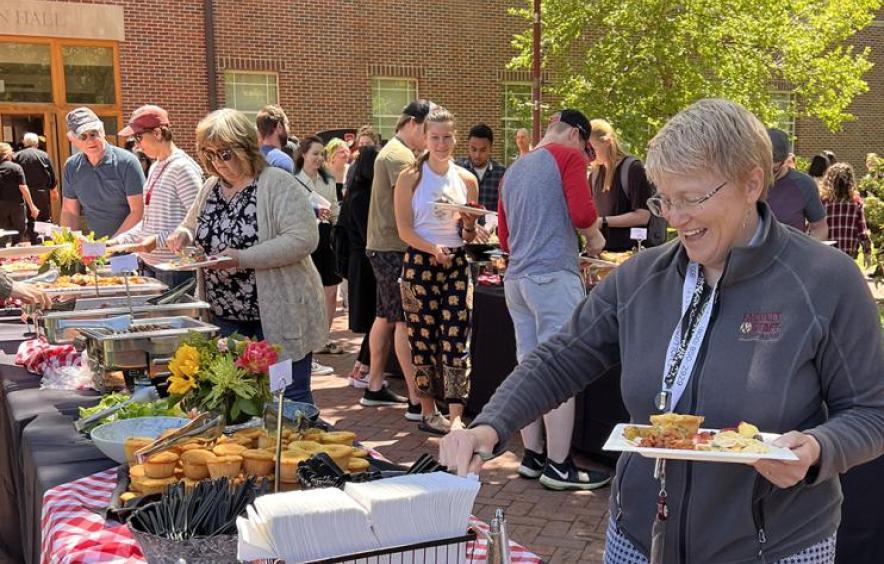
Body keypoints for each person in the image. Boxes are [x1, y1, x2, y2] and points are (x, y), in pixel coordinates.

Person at [440, 98, 884, 563]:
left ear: (752, 182)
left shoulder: (825, 280)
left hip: (774, 547)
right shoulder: (641, 278)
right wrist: (487, 428)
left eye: (691, 198)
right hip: (638, 538)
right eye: (664, 200)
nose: (674, 218)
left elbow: (870, 412)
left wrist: (817, 448)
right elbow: (560, 359)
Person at [167, 108, 327, 404]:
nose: (218, 163)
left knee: (288, 398)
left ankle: (303, 450)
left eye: (225, 154)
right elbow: (191, 224)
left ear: (245, 147)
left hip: (277, 314)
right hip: (226, 316)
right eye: (210, 155)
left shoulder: (277, 183)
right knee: (241, 402)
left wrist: (242, 257)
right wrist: (183, 235)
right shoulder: (211, 187)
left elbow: (303, 239)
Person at [495, 108, 609, 490]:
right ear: (577, 135)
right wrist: (595, 239)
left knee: (528, 367)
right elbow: (581, 213)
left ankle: (533, 455)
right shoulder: (568, 156)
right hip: (551, 277)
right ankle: (560, 466)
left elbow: (506, 239)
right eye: (588, 149)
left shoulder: (515, 169)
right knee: (559, 369)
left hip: (517, 279)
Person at [394, 107, 479, 434]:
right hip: (420, 263)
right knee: (423, 339)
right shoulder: (411, 177)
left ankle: (457, 416)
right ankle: (429, 410)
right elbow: (404, 230)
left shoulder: (466, 179)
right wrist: (432, 249)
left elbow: (468, 235)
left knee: (458, 339)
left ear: (454, 137)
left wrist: (470, 227)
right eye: (435, 137)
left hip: (456, 264)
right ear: (425, 138)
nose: (442, 143)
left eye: (447, 137)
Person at [364, 99, 435, 416]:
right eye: (429, 131)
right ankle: (417, 401)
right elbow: (415, 203)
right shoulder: (400, 156)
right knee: (406, 322)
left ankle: (374, 385)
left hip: (384, 246)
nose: (432, 138)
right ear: (413, 124)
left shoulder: (395, 152)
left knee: (386, 315)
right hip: (394, 248)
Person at [110, 105, 203, 287]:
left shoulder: (183, 168)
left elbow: (201, 221)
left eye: (138, 137)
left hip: (176, 271)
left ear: (158, 133)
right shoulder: (155, 166)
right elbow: (148, 223)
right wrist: (118, 241)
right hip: (150, 266)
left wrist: (157, 241)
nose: (136, 144)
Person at [293, 136, 341, 371]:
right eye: (315, 154)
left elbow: (334, 209)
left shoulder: (327, 179)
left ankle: (322, 338)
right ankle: (307, 343)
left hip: (324, 238)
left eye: (322, 154)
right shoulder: (293, 180)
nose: (319, 158)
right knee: (306, 292)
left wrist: (332, 216)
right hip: (303, 240)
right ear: (303, 154)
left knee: (330, 289)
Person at [61, 107, 145, 238]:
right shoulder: (72, 166)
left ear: (103, 131)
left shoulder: (127, 162)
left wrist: (112, 244)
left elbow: (138, 212)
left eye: (94, 133)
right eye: (83, 136)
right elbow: (69, 212)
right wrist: (68, 243)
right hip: (98, 246)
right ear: (73, 140)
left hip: (131, 245)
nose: (90, 140)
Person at [339, 146, 379, 388]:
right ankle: (363, 369)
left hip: (359, 261)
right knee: (377, 316)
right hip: (366, 262)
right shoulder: (363, 197)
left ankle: (361, 367)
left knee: (375, 317)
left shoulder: (354, 194)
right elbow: (368, 234)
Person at [589, 119, 655, 252]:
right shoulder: (594, 175)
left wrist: (603, 222)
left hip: (631, 254)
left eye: (593, 149)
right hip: (603, 255)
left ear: (607, 142)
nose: (590, 156)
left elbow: (643, 216)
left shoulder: (633, 169)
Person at [766, 128, 828, 240]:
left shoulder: (804, 184)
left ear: (786, 161)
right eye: (764, 166)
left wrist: (807, 253)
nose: (769, 173)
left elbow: (819, 228)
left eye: (775, 170)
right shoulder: (743, 182)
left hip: (790, 255)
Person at [820, 163, 872, 265]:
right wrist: (867, 251)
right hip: (848, 256)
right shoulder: (856, 204)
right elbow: (862, 232)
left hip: (826, 253)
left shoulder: (823, 203)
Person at [13, 132, 56, 241]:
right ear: (37, 143)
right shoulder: (43, 155)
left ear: (24, 143)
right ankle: (44, 242)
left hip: (23, 193)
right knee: (44, 218)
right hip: (41, 192)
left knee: (28, 218)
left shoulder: (16, 156)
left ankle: (32, 241)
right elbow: (51, 173)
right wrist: (53, 188)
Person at [456, 123, 505, 212]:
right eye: (473, 149)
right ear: (468, 146)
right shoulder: (458, 170)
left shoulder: (502, 173)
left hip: (492, 225)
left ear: (491, 148)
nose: (477, 155)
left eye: (482, 150)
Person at [0, 143, 39, 244]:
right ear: (7, 154)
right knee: (20, 230)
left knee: (2, 232)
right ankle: (15, 249)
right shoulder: (16, 168)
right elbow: (23, 187)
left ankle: (2, 252)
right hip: (17, 204)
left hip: (1, 205)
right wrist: (32, 206)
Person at [256, 105, 295, 174]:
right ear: (279, 126)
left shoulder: (253, 158)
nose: (289, 129)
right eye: (287, 124)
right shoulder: (282, 160)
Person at [325, 137, 350, 202]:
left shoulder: (351, 169)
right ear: (332, 156)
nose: (346, 154)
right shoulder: (324, 171)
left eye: (347, 151)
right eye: (342, 152)